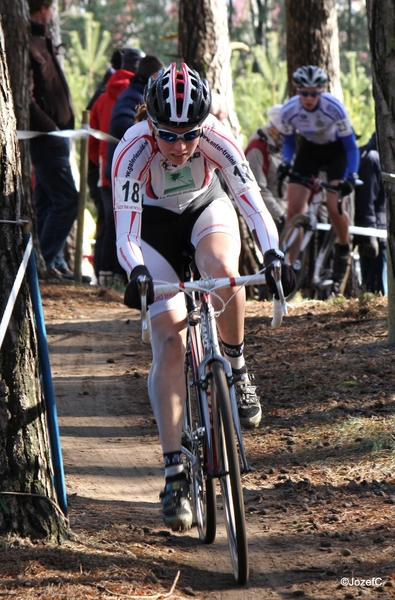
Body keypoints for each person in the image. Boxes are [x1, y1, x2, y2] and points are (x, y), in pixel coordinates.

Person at [111, 63, 296, 532]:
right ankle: (175, 469)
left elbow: (251, 201)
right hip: (151, 232)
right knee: (168, 340)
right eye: (168, 135)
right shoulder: (132, 149)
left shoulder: (215, 137)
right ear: (150, 124)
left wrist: (274, 254)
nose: (180, 146)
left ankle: (235, 364)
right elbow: (126, 232)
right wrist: (135, 272)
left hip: (203, 209)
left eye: (189, 133)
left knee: (226, 275)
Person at [278, 65, 360, 295]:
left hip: (337, 152)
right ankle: (290, 269)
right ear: (297, 91)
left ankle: (343, 248)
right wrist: (286, 162)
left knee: (334, 207)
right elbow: (288, 143)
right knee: (294, 208)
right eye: (304, 93)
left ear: (322, 92)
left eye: (314, 93)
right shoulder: (289, 111)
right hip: (310, 152)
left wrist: (351, 175)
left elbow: (351, 147)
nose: (309, 98)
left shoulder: (334, 108)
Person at [28, 0, 78, 278]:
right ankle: (44, 261)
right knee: (68, 200)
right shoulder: (28, 43)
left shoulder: (42, 39)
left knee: (47, 202)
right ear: (43, 8)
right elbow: (28, 98)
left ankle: (47, 260)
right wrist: (50, 129)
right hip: (48, 138)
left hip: (58, 135)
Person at [88, 59, 136, 289]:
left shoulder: (100, 98)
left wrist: (98, 164)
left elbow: (91, 140)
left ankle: (104, 273)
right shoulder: (135, 96)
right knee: (125, 224)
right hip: (129, 172)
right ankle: (119, 273)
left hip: (104, 172)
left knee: (107, 224)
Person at [104, 55, 164, 185]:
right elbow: (120, 123)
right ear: (155, 76)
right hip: (124, 171)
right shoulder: (132, 96)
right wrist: (151, 134)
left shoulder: (138, 94)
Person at [245, 104, 287, 233]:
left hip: (287, 210)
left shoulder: (279, 147)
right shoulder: (257, 149)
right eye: (283, 133)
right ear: (273, 129)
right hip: (271, 216)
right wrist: (280, 215)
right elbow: (258, 189)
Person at [354, 133, 387, 294]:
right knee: (378, 291)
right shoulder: (372, 158)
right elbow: (366, 200)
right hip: (377, 235)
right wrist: (370, 236)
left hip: (382, 232)